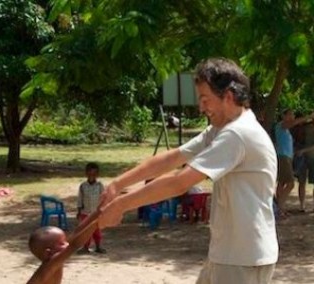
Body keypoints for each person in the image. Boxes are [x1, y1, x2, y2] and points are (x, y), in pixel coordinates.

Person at [98, 58, 279, 284]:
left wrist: (121, 205)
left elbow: (180, 182)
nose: (201, 107)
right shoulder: (221, 129)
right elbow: (173, 157)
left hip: (242, 258)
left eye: (205, 99)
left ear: (229, 97)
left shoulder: (236, 134)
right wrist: (118, 184)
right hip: (229, 253)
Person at [274, 109, 314, 216]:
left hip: (286, 157)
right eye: (290, 114)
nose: (292, 116)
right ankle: (279, 208)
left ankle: (280, 209)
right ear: (284, 116)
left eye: (293, 114)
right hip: (283, 157)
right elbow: (293, 123)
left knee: (282, 183)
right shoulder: (281, 125)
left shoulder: (286, 130)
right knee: (291, 184)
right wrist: (309, 116)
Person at [77, 162, 106, 253]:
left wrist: (103, 210)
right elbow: (80, 199)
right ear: (86, 173)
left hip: (96, 213)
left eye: (94, 174)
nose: (92, 176)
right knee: (85, 231)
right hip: (85, 212)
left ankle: (98, 246)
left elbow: (103, 198)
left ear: (97, 174)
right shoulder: (83, 186)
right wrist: (79, 211)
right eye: (90, 173)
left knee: (96, 230)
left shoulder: (100, 185)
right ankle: (85, 247)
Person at [294, 118, 314, 212]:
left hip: (311, 158)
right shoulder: (305, 127)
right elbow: (298, 139)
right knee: (302, 182)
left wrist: (303, 150)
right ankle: (302, 205)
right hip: (302, 158)